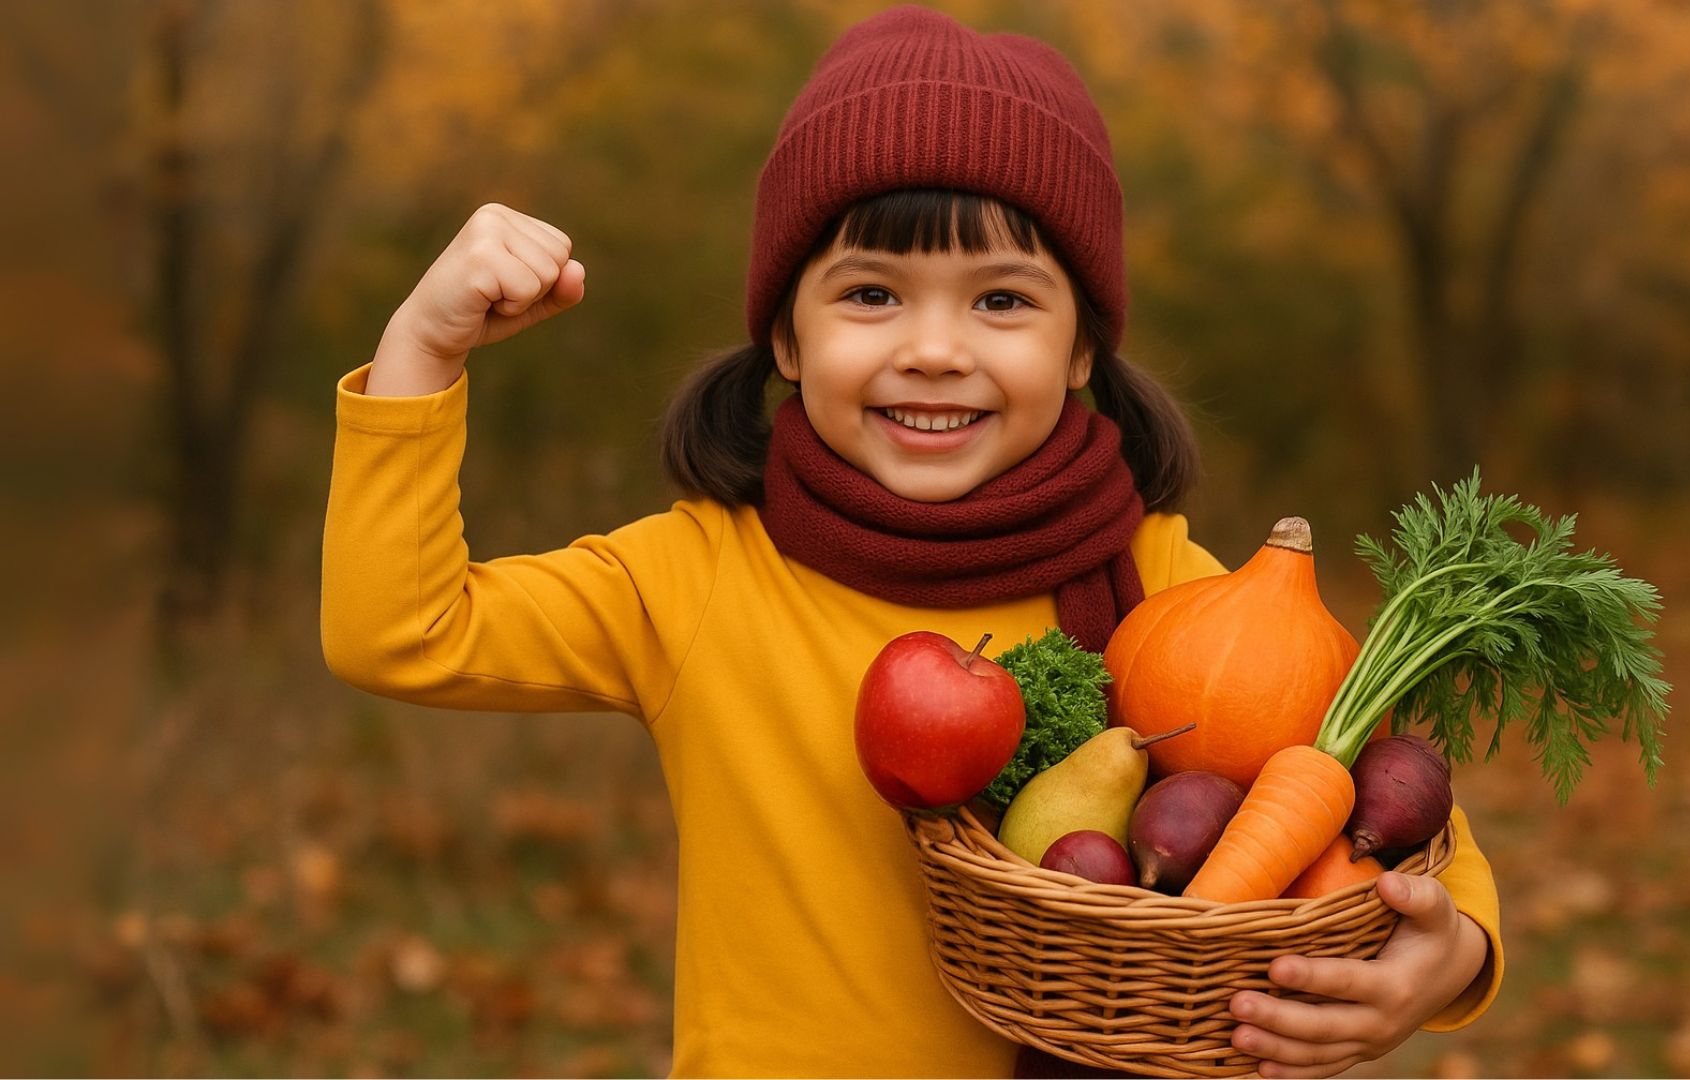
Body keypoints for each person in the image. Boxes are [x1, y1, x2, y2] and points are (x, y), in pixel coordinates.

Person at [321, 6, 1503, 1077]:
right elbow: (401, 631)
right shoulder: (696, 578)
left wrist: (1447, 957)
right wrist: (422, 349)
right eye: (872, 294)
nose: (934, 350)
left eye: (1002, 300)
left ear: (1081, 352)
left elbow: (1366, 792)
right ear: (787, 339)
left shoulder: (1167, 589)